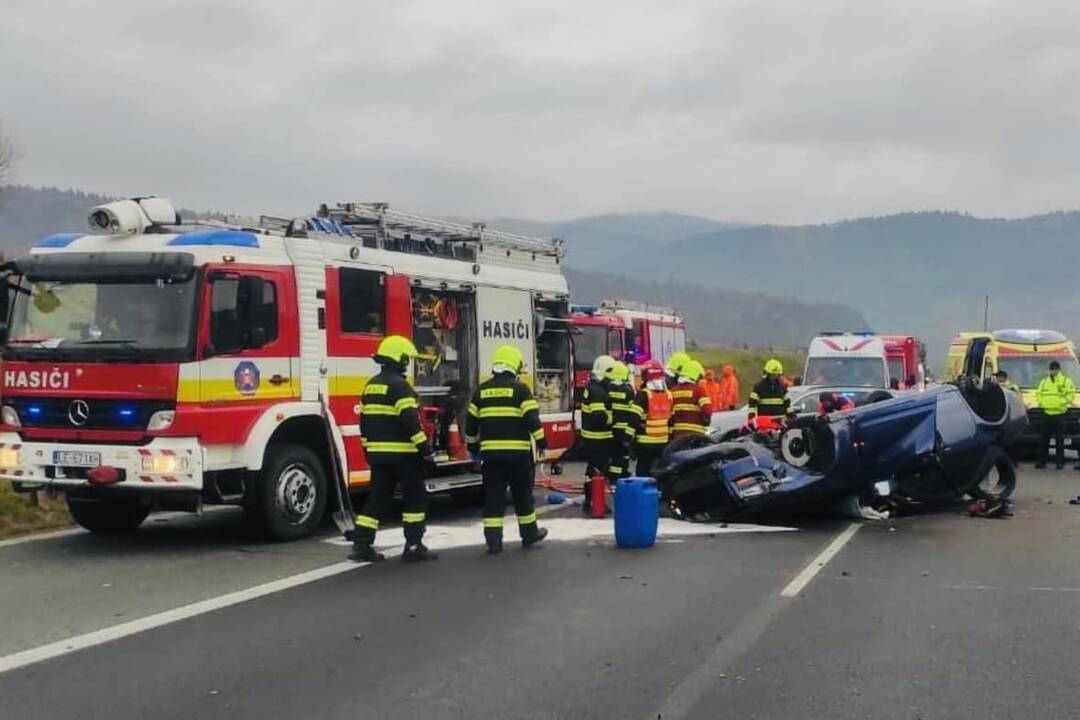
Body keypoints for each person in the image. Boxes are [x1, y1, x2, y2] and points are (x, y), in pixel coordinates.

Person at [350, 336, 438, 563]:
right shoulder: (400, 386)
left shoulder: (371, 385)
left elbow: (364, 421)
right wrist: (425, 449)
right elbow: (410, 420)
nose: (407, 362)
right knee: (415, 500)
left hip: (378, 456)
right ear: (398, 359)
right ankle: (414, 545)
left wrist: (368, 449)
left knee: (377, 499)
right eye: (406, 358)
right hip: (404, 456)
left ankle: (361, 545)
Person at [464, 345, 548, 554]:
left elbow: (471, 425)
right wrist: (542, 443)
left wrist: (473, 447)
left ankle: (493, 541)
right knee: (522, 496)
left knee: (493, 498)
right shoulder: (520, 390)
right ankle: (529, 534)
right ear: (514, 366)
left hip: (491, 457)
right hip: (518, 456)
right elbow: (532, 420)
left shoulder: (481, 391)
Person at [581, 355, 616, 513]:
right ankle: (594, 503)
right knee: (597, 471)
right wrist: (612, 419)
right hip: (597, 438)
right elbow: (599, 415)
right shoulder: (596, 391)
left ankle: (591, 502)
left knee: (593, 471)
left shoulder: (594, 387)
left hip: (593, 438)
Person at [631, 359, 671, 477]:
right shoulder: (668, 395)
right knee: (659, 473)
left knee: (643, 474)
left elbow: (633, 418)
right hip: (663, 442)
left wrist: (628, 440)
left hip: (645, 443)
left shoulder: (643, 395)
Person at [1035, 360, 1075, 469]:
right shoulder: (1044, 381)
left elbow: (1071, 395)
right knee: (1044, 439)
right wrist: (1041, 402)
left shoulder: (1066, 381)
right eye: (1052, 370)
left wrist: (1060, 403)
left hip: (1060, 414)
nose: (1054, 372)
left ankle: (1059, 462)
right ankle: (1042, 461)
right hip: (1047, 413)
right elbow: (1038, 394)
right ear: (1050, 370)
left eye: (1055, 369)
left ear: (1059, 369)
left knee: (1059, 440)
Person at [606, 361, 636, 480]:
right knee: (622, 453)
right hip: (624, 428)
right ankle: (622, 473)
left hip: (610, 426)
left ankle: (612, 474)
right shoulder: (628, 390)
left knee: (612, 452)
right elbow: (632, 408)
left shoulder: (607, 388)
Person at [670, 360, 713, 439]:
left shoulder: (673, 391)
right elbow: (707, 410)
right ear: (696, 376)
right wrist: (706, 421)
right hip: (695, 435)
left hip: (677, 436)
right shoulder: (699, 390)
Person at [749, 358, 792, 429]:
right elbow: (752, 405)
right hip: (764, 423)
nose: (775, 376)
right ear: (768, 373)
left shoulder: (782, 387)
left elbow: (788, 405)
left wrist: (791, 416)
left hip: (779, 423)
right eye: (773, 374)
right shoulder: (759, 387)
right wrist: (751, 419)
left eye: (776, 374)